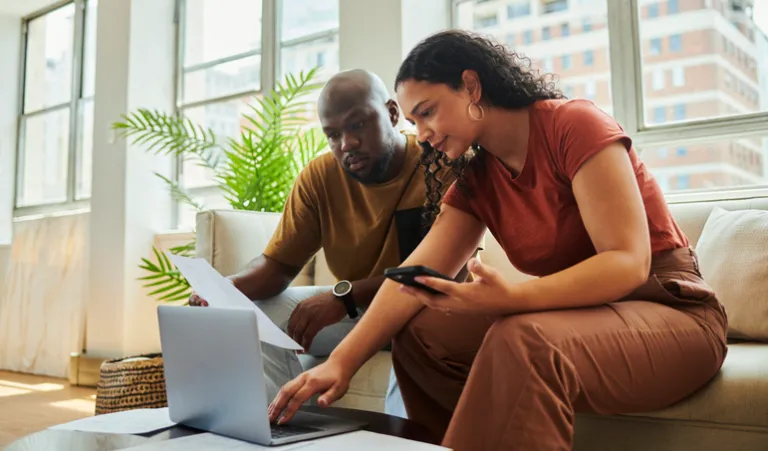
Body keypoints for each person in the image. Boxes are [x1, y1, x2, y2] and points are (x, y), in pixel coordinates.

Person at [266, 30, 728, 451]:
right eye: (412, 119)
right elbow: (413, 279)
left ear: (472, 86)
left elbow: (627, 263)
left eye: (426, 112)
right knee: (422, 333)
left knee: (522, 336)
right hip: (584, 316)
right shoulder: (478, 176)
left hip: (673, 314)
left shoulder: (574, 124)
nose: (421, 134)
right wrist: (341, 362)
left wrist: (516, 299)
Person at [189, 68, 478, 418]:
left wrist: (345, 296)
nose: (347, 144)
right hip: (354, 311)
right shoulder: (320, 177)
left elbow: (439, 276)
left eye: (357, 125)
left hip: (428, 309)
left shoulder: (438, 160)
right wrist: (225, 289)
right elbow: (277, 267)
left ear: (391, 113)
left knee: (417, 327)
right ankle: (278, 427)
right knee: (252, 317)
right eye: (333, 134)